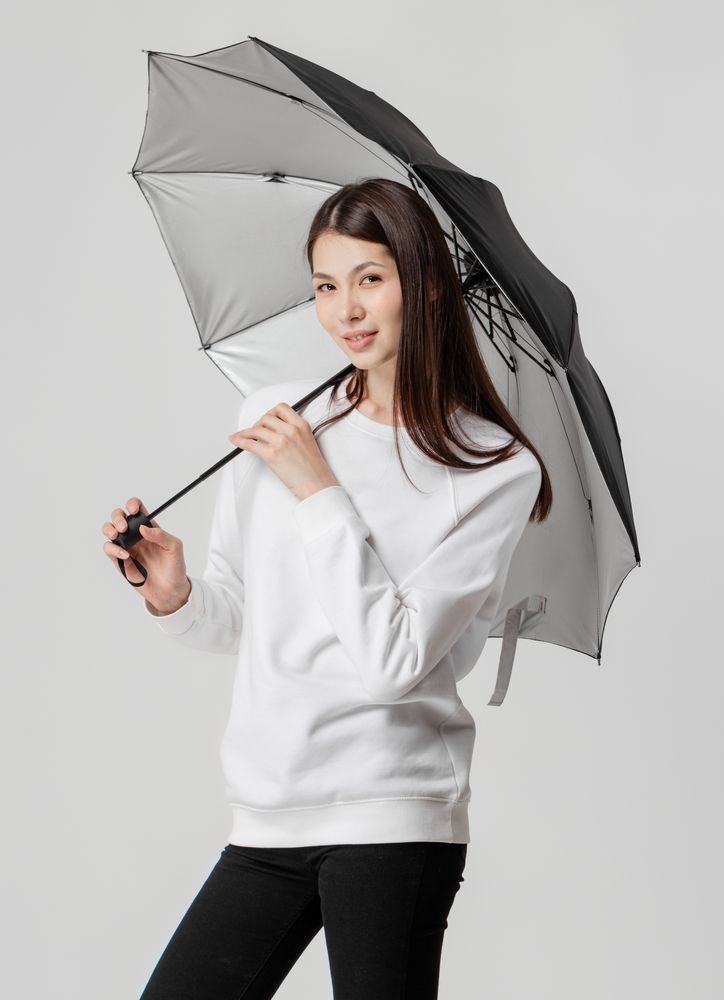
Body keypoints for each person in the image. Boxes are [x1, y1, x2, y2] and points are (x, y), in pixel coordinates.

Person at [102, 178, 552, 999]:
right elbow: (247, 619)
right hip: (270, 808)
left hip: (394, 816)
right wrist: (176, 595)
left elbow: (393, 663)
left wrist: (319, 491)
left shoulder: (493, 470)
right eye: (325, 285)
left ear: (427, 286)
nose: (346, 309)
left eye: (370, 278)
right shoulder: (278, 416)